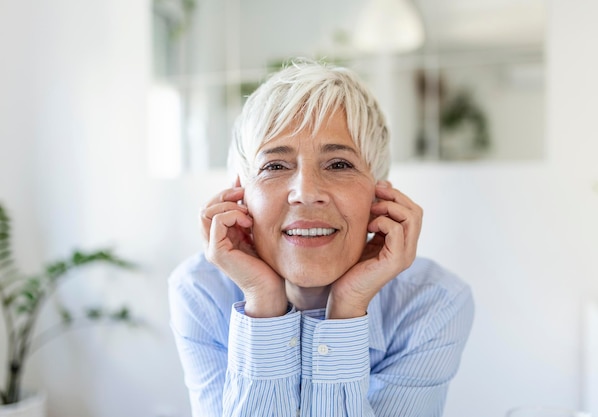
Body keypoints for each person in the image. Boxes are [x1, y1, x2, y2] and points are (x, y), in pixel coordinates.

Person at [169, 59, 474, 417]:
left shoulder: (433, 302)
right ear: (241, 195)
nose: (306, 192)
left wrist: (348, 308)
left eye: (339, 165)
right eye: (275, 166)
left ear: (379, 197)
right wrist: (262, 303)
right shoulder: (201, 292)